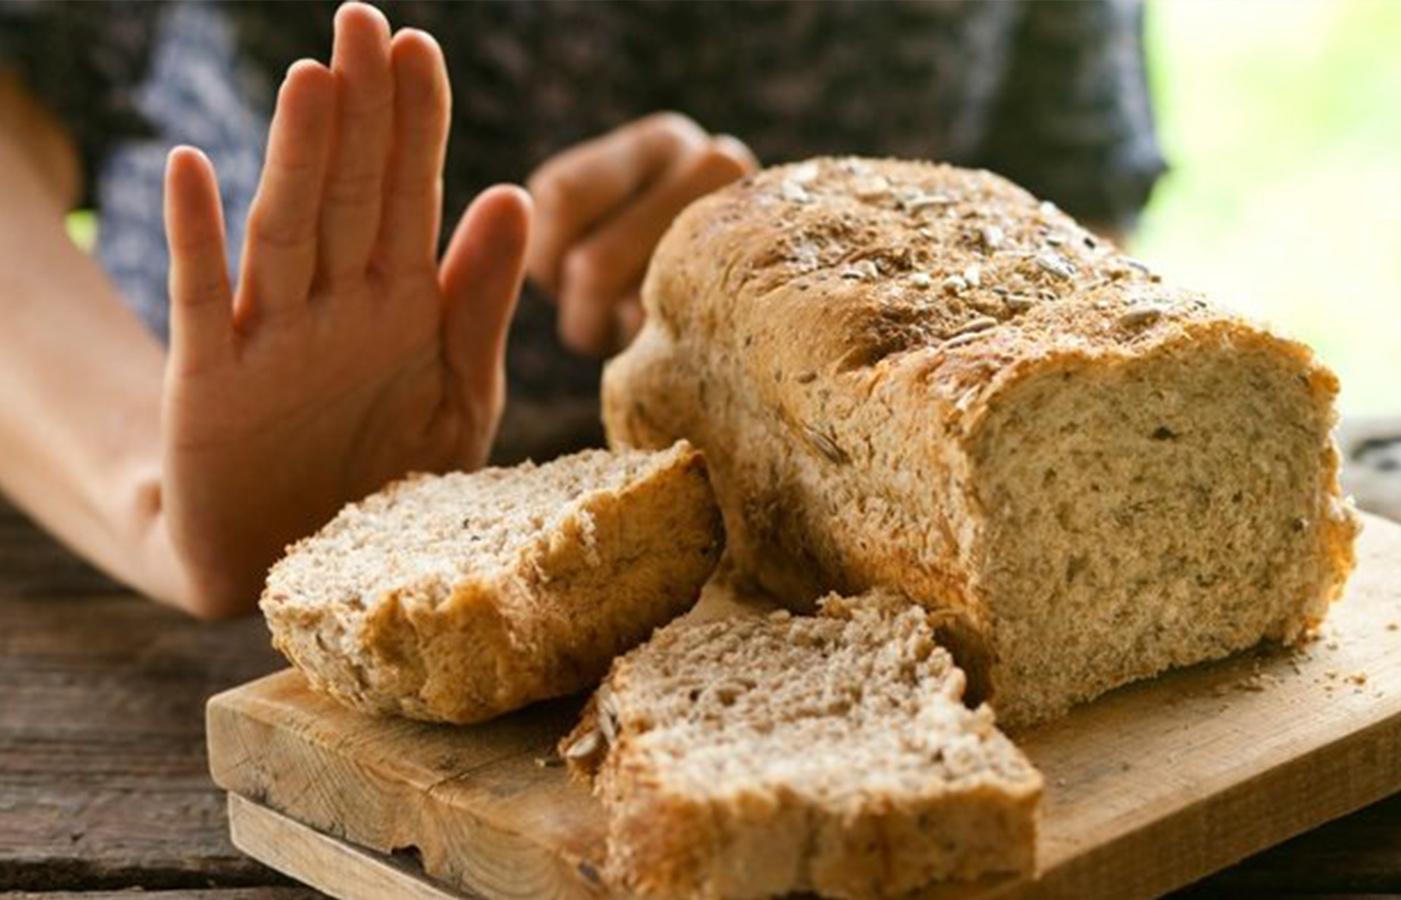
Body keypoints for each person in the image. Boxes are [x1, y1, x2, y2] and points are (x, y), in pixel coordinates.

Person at [0, 1, 1165, 618]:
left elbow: (1067, 226)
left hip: (806, 582)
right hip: (133, 556)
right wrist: (146, 485)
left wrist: (791, 285)